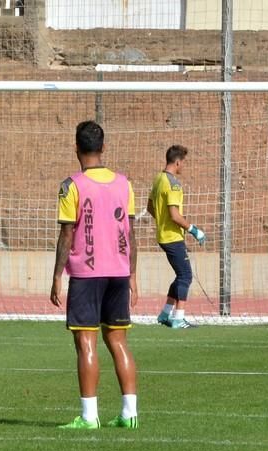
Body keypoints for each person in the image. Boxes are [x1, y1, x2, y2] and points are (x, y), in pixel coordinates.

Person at [50, 120, 139, 430]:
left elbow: (66, 233)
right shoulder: (124, 183)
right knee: (119, 342)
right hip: (119, 271)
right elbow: (129, 232)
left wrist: (57, 275)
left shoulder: (71, 185)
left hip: (87, 275)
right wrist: (133, 275)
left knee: (86, 343)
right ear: (103, 148)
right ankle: (130, 413)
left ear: (76, 147)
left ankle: (89, 417)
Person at [146, 144, 205, 329]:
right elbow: (175, 215)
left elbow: (150, 207)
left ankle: (165, 314)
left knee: (180, 274)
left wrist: (162, 222)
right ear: (178, 162)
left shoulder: (158, 179)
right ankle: (178, 318)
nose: (184, 166)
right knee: (186, 275)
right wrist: (195, 230)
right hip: (172, 237)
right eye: (183, 163)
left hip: (164, 236)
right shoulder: (173, 184)